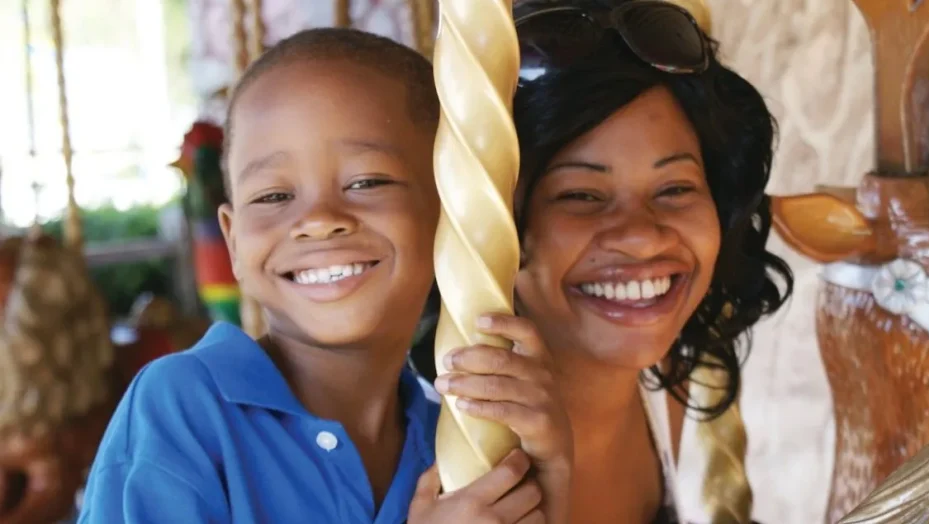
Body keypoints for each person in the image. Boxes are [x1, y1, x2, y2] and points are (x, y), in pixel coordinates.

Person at [79, 28, 571, 524]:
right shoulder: (185, 407)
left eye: (366, 182)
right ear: (232, 239)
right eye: (273, 196)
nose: (318, 218)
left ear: (451, 213)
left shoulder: (456, 441)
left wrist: (552, 479)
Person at [410, 1, 793, 522]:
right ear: (496, 216)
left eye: (675, 188)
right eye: (582, 196)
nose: (640, 237)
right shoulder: (423, 448)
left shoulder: (681, 382)